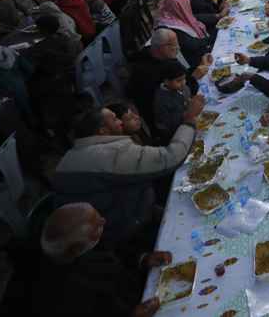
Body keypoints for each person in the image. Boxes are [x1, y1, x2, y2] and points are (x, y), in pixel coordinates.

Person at [53, 105, 199, 247]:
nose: (120, 121)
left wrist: (151, 207)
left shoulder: (67, 160)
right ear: (104, 132)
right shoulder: (111, 154)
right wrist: (190, 120)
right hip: (129, 239)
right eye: (115, 119)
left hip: (126, 223)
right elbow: (172, 156)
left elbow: (111, 196)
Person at [0, 202, 168, 317]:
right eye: (99, 225)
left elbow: (113, 251)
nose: (104, 221)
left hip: (139, 289)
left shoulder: (66, 243)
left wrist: (142, 258)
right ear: (77, 247)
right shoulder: (57, 302)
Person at [126, 29, 208, 140]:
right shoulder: (145, 73)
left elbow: (179, 76)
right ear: (162, 47)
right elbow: (172, 94)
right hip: (173, 127)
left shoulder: (164, 56)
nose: (178, 48)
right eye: (175, 45)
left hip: (184, 112)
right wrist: (193, 78)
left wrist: (200, 66)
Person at [155, 0, 214, 68]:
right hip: (191, 59)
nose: (188, 7)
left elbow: (195, 18)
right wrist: (214, 39)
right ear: (179, 7)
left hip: (198, 45)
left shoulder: (172, 12)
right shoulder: (169, 27)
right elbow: (192, 44)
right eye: (186, 5)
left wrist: (217, 16)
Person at [152, 60, 198, 144]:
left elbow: (189, 97)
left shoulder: (183, 87)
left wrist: (195, 100)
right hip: (179, 136)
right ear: (167, 82)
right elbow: (162, 123)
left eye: (184, 78)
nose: (183, 82)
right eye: (179, 80)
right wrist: (182, 116)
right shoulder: (161, 100)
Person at [21, 14, 78, 81]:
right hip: (74, 70)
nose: (37, 30)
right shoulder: (64, 36)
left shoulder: (42, 46)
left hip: (56, 77)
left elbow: (24, 59)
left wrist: (24, 52)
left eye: (37, 29)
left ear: (44, 32)